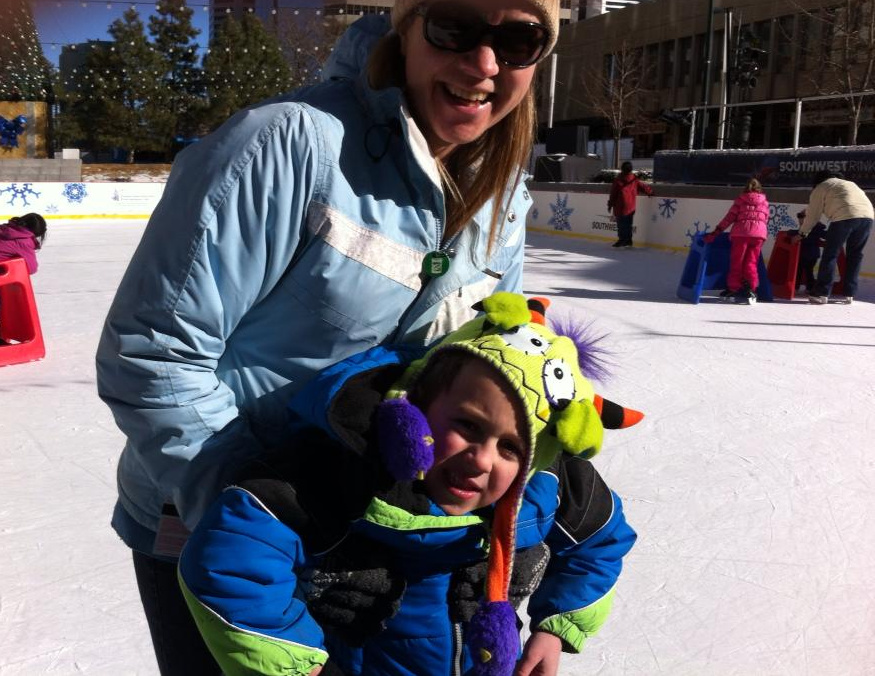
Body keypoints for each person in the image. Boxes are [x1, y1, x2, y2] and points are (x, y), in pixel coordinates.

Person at [95, 0, 561, 671]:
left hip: (377, 542)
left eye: (520, 39)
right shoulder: (288, 143)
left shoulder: (502, 188)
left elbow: (499, 375)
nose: (485, 63)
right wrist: (282, 527)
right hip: (215, 526)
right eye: (455, 28)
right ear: (406, 29)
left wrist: (512, 533)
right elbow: (154, 352)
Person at [178, 292, 641, 676]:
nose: (480, 460)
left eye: (510, 449)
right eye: (467, 425)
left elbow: (602, 540)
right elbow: (231, 561)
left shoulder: (546, 486)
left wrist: (556, 628)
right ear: (415, 402)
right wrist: (300, 666)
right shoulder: (342, 473)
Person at [794, 171, 874, 305]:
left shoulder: (821, 187)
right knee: (855, 255)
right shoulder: (850, 184)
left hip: (844, 217)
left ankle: (821, 293)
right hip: (868, 217)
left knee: (830, 254)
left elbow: (813, 216)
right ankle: (850, 293)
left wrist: (802, 233)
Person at [703, 178, 769, 304]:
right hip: (759, 235)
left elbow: (728, 218)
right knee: (751, 263)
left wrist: (716, 232)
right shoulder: (765, 203)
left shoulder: (740, 200)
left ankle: (733, 288)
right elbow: (765, 219)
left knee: (737, 262)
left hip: (741, 234)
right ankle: (751, 289)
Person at [607, 161, 653, 248]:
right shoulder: (634, 180)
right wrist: (650, 192)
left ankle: (622, 240)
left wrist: (610, 204)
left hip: (620, 206)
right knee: (628, 224)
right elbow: (643, 187)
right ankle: (628, 240)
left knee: (621, 224)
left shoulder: (618, 180)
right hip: (631, 206)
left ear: (622, 169)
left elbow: (613, 194)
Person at [791, 210, 826, 293]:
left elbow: (797, 233)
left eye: (801, 217)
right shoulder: (817, 228)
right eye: (799, 218)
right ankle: (809, 287)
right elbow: (824, 234)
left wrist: (790, 233)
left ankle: (797, 287)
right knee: (808, 271)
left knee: (800, 270)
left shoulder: (809, 228)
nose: (799, 220)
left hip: (806, 254)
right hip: (813, 254)